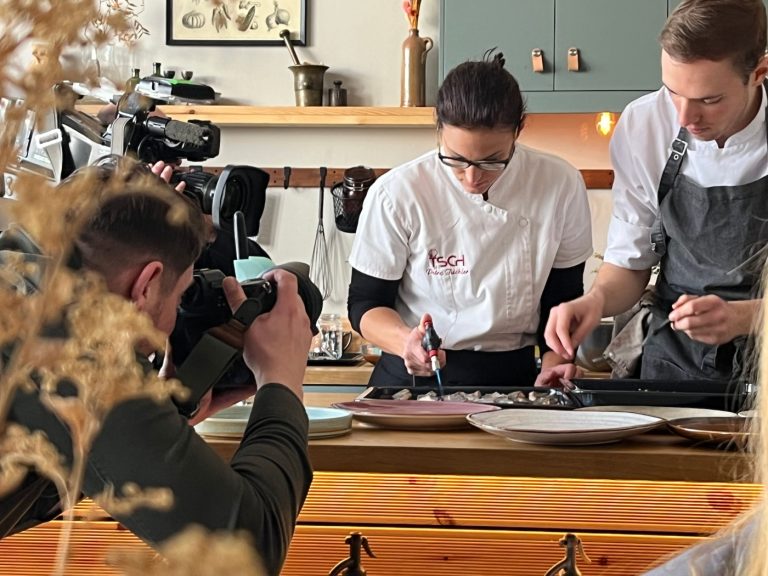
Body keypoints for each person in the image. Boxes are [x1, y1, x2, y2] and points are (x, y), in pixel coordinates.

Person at [0, 158, 313, 576]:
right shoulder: (72, 346)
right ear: (146, 285)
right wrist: (282, 383)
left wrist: (162, 417)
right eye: (180, 296)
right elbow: (247, 551)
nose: (170, 324)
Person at [545, 0, 768, 384]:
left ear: (759, 73)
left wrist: (745, 316)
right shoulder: (644, 124)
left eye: (709, 100)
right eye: (673, 92)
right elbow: (631, 262)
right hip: (675, 361)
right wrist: (596, 301)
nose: (684, 117)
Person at [347, 51, 593, 389]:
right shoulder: (398, 192)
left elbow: (562, 298)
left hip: (516, 379)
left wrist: (555, 363)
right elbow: (365, 303)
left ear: (519, 131)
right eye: (456, 159)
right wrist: (406, 341)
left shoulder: (558, 183)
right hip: (414, 379)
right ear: (439, 129)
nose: (472, 177)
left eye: (492, 161)